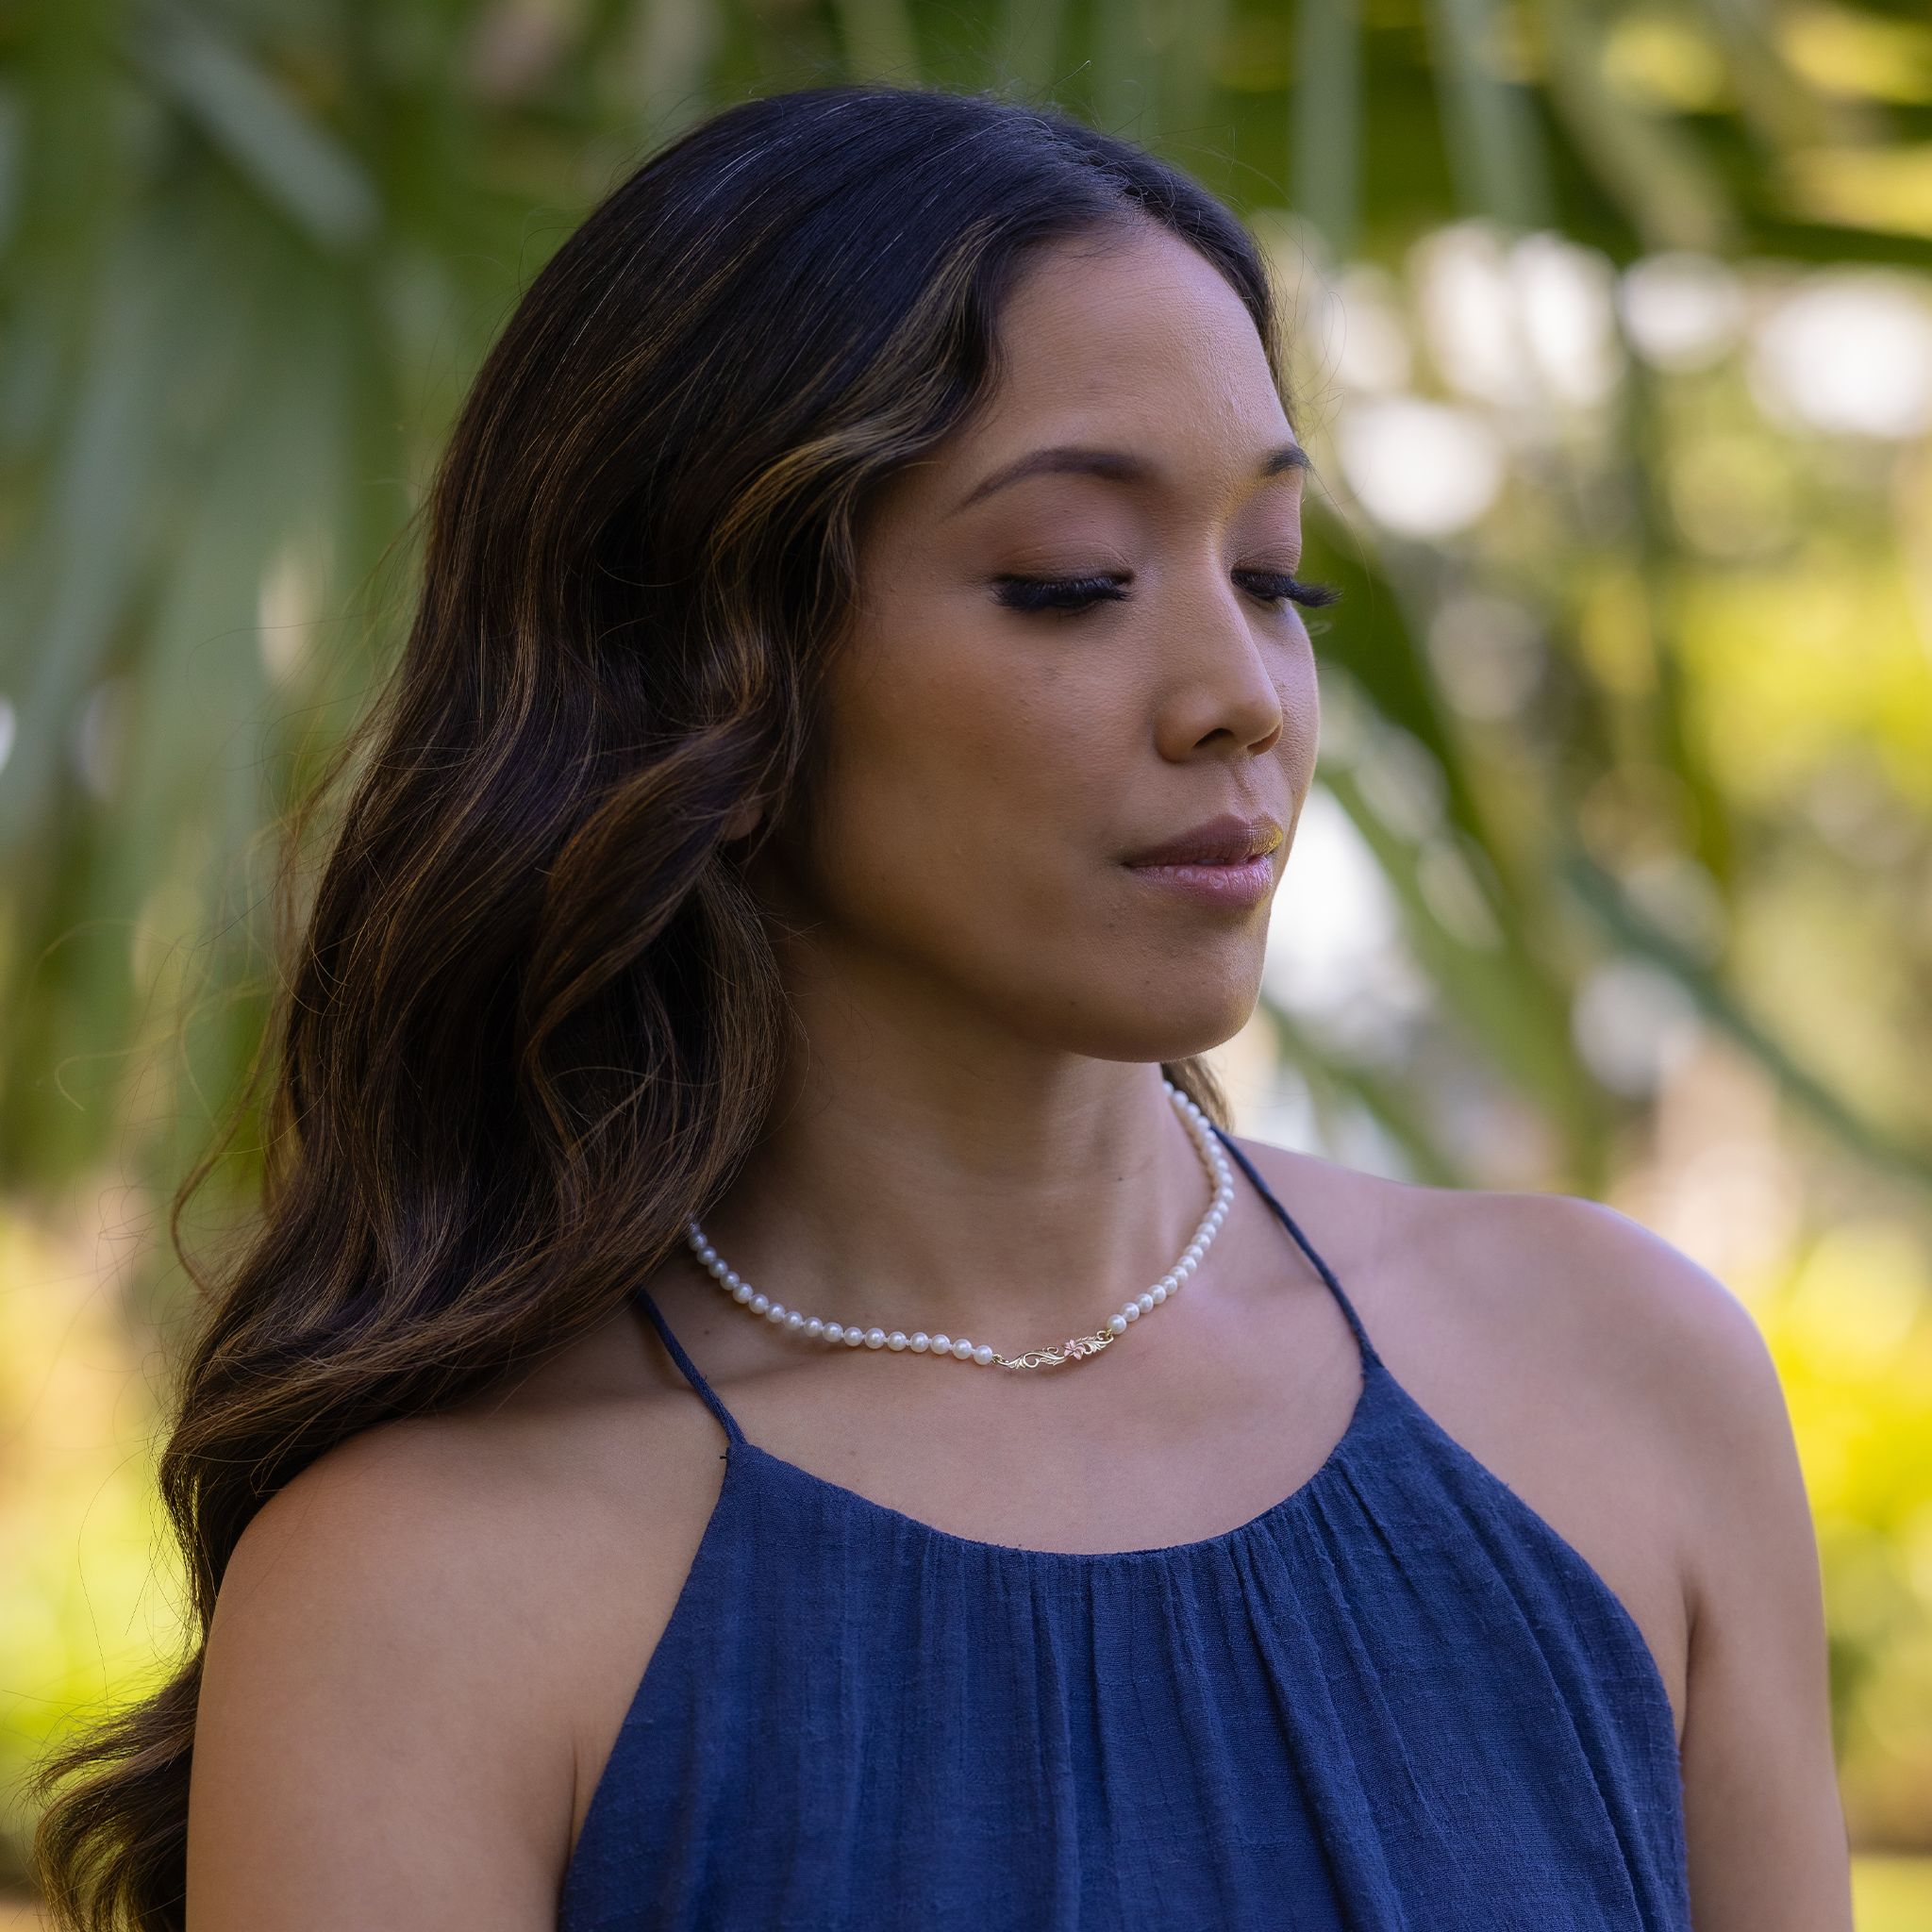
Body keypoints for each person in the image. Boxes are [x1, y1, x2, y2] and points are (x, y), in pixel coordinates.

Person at [38, 87, 1847, 1932]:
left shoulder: (1620, 1382)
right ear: (709, 672)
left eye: (1271, 572)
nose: (1241, 694)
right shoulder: (432, 1591)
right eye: (1070, 581)